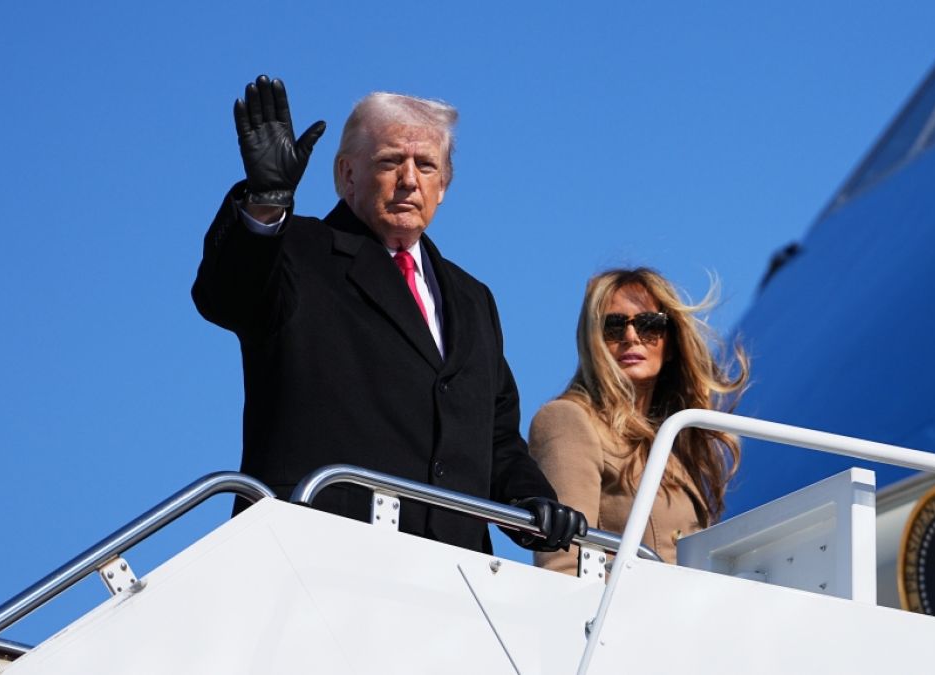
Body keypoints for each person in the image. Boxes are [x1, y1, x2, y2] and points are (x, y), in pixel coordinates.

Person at [192, 75, 586, 554]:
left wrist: (532, 500)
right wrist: (266, 201)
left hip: (452, 579)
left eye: (425, 165)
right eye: (390, 162)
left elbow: (494, 438)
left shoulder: (472, 299)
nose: (409, 180)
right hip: (316, 559)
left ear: (444, 185)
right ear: (346, 174)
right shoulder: (295, 250)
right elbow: (226, 295)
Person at [529, 268, 749, 573]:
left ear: (670, 342)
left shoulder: (675, 441)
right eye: (614, 326)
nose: (631, 337)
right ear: (592, 341)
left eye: (649, 324)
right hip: (619, 616)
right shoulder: (570, 420)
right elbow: (563, 566)